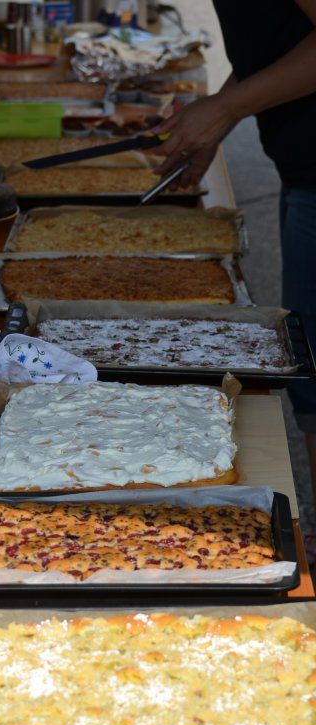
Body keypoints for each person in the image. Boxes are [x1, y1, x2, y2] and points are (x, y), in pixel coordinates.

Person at [153, 0, 316, 504]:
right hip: (303, 168)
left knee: (313, 372)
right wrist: (218, 119)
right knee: (310, 371)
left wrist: (226, 109)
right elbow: (277, 43)